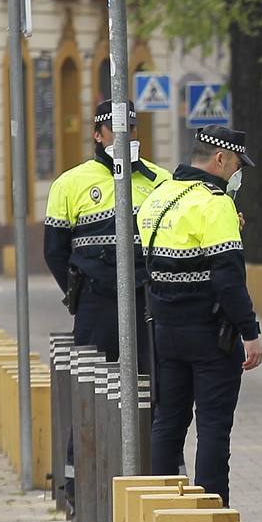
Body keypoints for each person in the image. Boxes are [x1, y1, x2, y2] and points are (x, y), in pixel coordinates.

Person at [137, 126, 262, 505]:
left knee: (168, 423)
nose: (237, 174)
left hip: (164, 331)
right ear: (220, 159)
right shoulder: (215, 203)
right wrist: (250, 332)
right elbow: (227, 279)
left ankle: (162, 510)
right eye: (237, 165)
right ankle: (212, 512)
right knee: (212, 428)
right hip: (211, 335)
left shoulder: (160, 197)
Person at [44, 100, 167, 361]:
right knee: (93, 382)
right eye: (115, 129)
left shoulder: (161, 181)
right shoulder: (69, 183)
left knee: (152, 380)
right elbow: (54, 251)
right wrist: (78, 291)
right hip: (95, 300)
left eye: (130, 128)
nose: (124, 135)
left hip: (146, 298)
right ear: (97, 134)